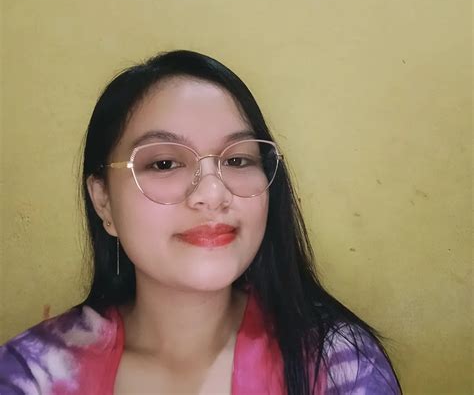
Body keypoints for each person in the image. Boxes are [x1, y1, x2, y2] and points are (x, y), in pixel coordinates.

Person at [0, 50, 402, 394]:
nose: (212, 193)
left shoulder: (338, 364)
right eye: (164, 163)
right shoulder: (32, 375)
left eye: (238, 160)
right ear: (103, 202)